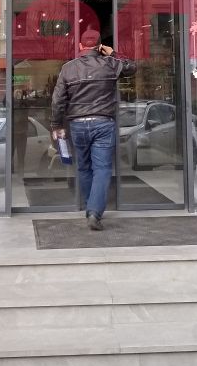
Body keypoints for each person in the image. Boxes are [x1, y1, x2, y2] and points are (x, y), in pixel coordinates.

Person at [51, 28, 136, 230]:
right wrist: (113, 53)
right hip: (103, 123)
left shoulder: (68, 68)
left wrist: (56, 124)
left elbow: (57, 100)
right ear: (99, 47)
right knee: (102, 169)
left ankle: (91, 208)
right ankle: (94, 212)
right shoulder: (110, 64)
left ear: (80, 46)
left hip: (78, 124)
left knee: (83, 167)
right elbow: (132, 67)